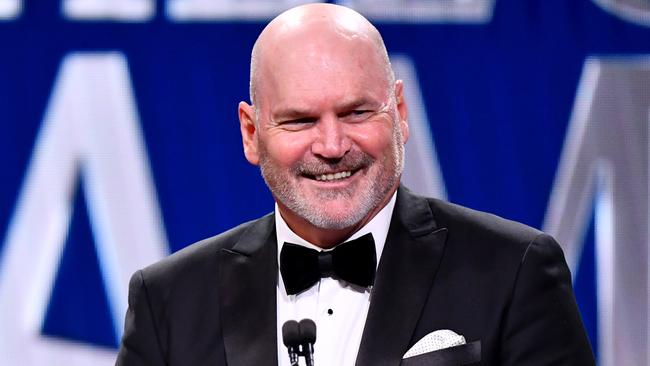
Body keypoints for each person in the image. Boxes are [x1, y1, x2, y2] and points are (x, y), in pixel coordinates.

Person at [115, 3, 595, 366]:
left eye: (356, 112)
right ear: (251, 134)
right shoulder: (168, 303)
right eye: (300, 120)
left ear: (399, 113)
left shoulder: (514, 272)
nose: (331, 144)